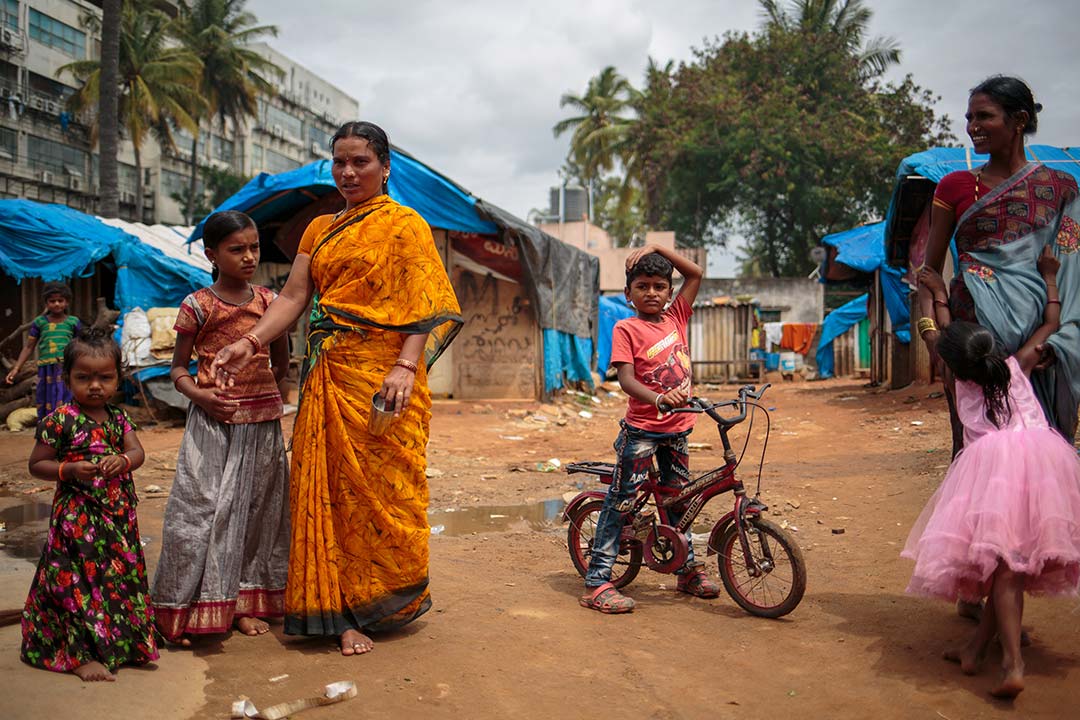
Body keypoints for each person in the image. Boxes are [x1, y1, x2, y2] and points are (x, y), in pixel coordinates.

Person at [209, 121, 462, 656]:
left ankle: (382, 597)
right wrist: (249, 343)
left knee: (385, 493)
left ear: (385, 166)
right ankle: (338, 611)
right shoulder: (320, 229)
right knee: (326, 492)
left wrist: (405, 367)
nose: (348, 172)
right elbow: (293, 298)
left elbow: (423, 303)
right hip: (328, 374)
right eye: (339, 162)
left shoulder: (405, 225)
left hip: (384, 377)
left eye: (360, 162)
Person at [904, 255, 1080, 699]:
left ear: (958, 365)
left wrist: (937, 298)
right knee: (1008, 567)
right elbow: (1051, 322)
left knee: (1005, 570)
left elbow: (942, 339)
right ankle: (973, 649)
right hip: (1042, 468)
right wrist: (1051, 278)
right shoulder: (1018, 363)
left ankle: (1012, 663)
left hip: (993, 478)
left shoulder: (954, 379)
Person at [917, 75, 1080, 448]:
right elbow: (928, 276)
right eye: (969, 117)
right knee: (977, 451)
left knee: (1041, 453)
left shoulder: (1062, 189)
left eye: (984, 116)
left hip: (1041, 349)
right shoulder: (954, 187)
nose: (973, 127)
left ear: (1019, 120)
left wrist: (1050, 345)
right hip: (973, 351)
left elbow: (1073, 274)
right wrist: (934, 341)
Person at [151, 211, 291, 645]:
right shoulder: (197, 305)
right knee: (200, 511)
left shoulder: (270, 303)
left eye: (254, 247)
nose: (249, 256)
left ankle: (243, 605)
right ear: (212, 254)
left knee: (257, 514)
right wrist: (201, 396)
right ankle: (189, 603)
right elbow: (177, 369)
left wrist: (268, 392)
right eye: (237, 249)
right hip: (212, 424)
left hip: (262, 425)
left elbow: (282, 361)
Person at [580, 244, 717, 614]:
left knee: (678, 502)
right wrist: (657, 399)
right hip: (642, 431)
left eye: (659, 286)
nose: (652, 293)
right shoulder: (627, 327)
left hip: (678, 429)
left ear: (669, 292)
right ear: (629, 294)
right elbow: (625, 379)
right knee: (622, 500)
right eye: (643, 286)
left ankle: (686, 571)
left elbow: (695, 274)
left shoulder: (676, 319)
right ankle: (598, 581)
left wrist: (656, 247)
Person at [21, 327, 158, 681]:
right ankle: (77, 654)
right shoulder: (59, 420)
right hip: (76, 520)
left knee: (116, 579)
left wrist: (125, 462)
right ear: (67, 378)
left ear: (118, 378)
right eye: (84, 378)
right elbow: (37, 465)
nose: (95, 385)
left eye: (105, 378)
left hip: (117, 518)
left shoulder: (119, 418)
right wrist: (68, 469)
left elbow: (137, 452)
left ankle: (123, 644)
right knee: (76, 583)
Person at [5, 282, 82, 420]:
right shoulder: (40, 322)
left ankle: (67, 430)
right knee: (46, 399)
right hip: (46, 369)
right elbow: (29, 347)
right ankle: (49, 431)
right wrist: (16, 369)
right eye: (52, 301)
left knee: (66, 397)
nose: (56, 304)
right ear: (46, 303)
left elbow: (81, 345)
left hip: (66, 368)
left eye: (60, 300)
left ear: (67, 302)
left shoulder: (73, 322)